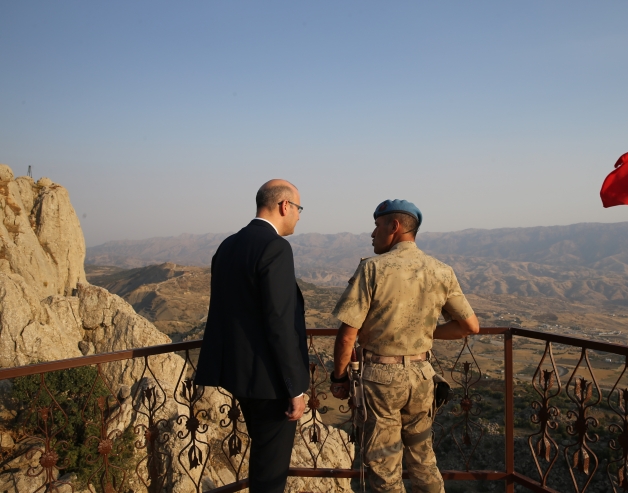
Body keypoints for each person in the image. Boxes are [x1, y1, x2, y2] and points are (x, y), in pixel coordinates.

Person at [330, 199, 479, 493]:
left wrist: (338, 379)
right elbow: (469, 326)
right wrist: (421, 333)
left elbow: (348, 334)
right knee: (423, 459)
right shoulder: (441, 270)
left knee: (383, 465)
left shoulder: (372, 269)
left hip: (381, 379)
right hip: (422, 375)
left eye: (377, 226)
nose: (373, 234)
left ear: (394, 226)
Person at [194, 179, 309, 493]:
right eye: (299, 209)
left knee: (262, 458)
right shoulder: (275, 247)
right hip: (270, 382)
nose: (299, 216)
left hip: (237, 374)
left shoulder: (228, 245)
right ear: (284, 206)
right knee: (271, 471)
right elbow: (279, 322)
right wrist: (295, 387)